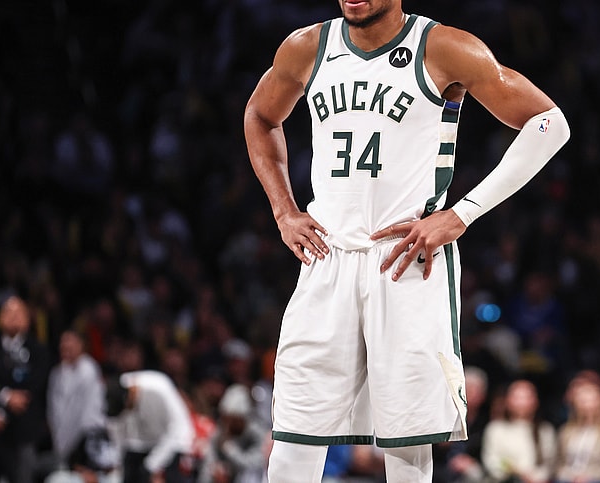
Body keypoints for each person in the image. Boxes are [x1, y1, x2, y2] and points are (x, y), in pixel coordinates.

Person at [243, 0, 570, 481]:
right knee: (293, 435)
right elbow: (260, 115)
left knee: (407, 442)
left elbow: (549, 124)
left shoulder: (444, 47)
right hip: (325, 258)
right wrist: (283, 210)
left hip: (406, 260)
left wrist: (461, 214)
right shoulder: (306, 46)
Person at [0, 295, 51, 483]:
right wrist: (4, 397)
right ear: (0, 318)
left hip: (23, 430)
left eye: (19, 312)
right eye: (9, 312)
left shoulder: (39, 350)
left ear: (27, 319)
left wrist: (3, 413)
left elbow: (34, 387)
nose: (14, 317)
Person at [105, 369, 195, 483]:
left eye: (127, 406)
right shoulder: (114, 392)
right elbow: (117, 433)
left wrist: (153, 464)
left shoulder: (158, 388)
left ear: (130, 393)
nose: (127, 409)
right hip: (139, 444)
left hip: (172, 443)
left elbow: (178, 428)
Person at [47, 330, 107, 470]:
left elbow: (83, 411)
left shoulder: (89, 370)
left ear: (81, 345)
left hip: (87, 437)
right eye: (63, 342)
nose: (65, 345)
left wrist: (72, 444)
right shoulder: (57, 373)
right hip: (61, 438)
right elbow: (53, 408)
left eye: (70, 342)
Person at [480, 380, 556, 483]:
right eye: (517, 397)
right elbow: (491, 461)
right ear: (507, 400)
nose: (521, 402)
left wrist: (534, 477)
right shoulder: (495, 429)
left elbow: (549, 463)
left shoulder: (545, 430)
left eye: (526, 397)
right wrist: (514, 472)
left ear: (535, 401)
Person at [555, 380, 600, 483]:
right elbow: (560, 464)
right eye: (583, 401)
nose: (588, 405)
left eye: (592, 400)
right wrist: (572, 477)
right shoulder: (565, 432)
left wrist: (589, 478)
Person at [198, 384, 268, 483]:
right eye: (226, 419)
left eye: (233, 420)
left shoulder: (258, 433)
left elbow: (255, 466)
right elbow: (208, 463)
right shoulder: (221, 432)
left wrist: (230, 449)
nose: (228, 425)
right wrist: (214, 471)